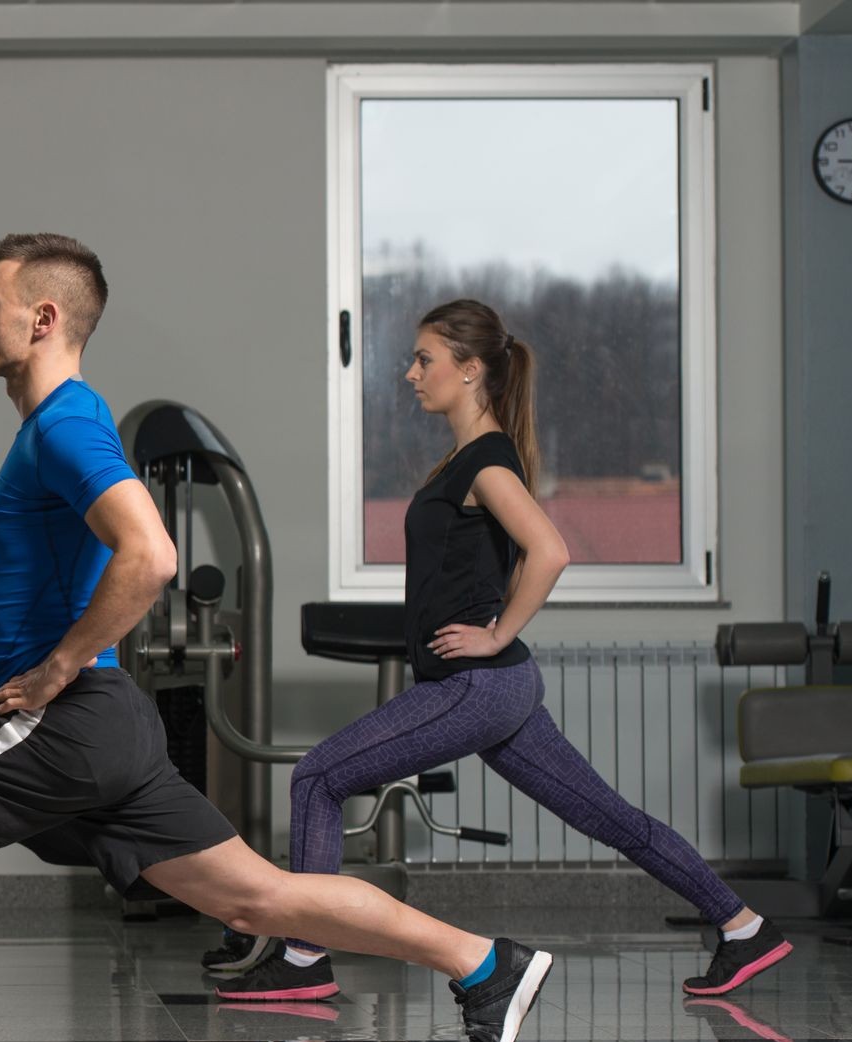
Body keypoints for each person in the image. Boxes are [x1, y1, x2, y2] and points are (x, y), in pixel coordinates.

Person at [0, 235, 556, 1042]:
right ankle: (486, 965)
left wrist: (59, 667)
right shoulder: (54, 427)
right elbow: (2, 569)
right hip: (103, 726)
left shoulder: (64, 428)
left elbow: (152, 554)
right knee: (261, 899)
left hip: (64, 719)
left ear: (43, 318)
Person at [218, 299, 791, 1005]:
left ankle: (304, 960)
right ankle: (743, 926)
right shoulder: (470, 457)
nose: (410, 373)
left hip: (475, 686)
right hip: (502, 690)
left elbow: (548, 551)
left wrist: (494, 632)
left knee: (317, 778)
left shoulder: (484, 462)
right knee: (608, 815)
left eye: (424, 359)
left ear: (469, 370)